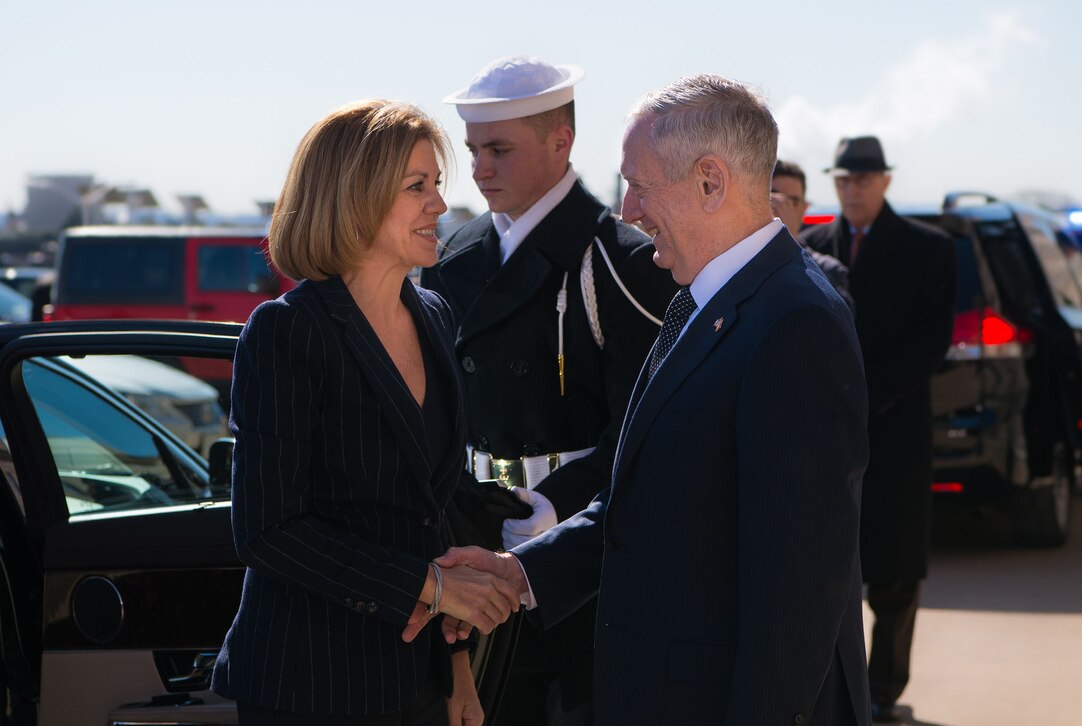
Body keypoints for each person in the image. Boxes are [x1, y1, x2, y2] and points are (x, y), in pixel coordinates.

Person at [414, 75, 872, 725]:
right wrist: (520, 574)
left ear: (711, 182)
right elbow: (642, 503)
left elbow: (797, 593)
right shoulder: (696, 299)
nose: (627, 210)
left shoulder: (795, 325)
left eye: (641, 184)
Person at [210, 99, 521, 726]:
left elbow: (435, 510)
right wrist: (427, 587)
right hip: (309, 685)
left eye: (437, 184)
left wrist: (458, 670)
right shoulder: (286, 331)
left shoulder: (433, 314)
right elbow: (267, 530)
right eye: (416, 187)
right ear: (355, 197)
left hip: (418, 684)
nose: (439, 204)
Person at [421, 56, 676, 726]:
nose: (479, 170)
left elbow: (643, 427)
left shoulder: (621, 260)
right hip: (478, 542)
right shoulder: (451, 259)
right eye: (473, 151)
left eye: (499, 149)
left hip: (587, 554)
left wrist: (551, 507)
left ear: (561, 142)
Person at [801, 135, 955, 723]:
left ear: (886, 181)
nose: (852, 189)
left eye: (862, 179)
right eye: (843, 179)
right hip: (829, 435)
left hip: (895, 430)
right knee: (833, 566)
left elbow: (930, 345)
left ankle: (886, 690)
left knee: (894, 569)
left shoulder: (929, 249)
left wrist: (864, 394)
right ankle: (836, 687)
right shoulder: (813, 246)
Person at [771, 159, 854, 314]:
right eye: (774, 198)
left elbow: (841, 319)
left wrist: (787, 243)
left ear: (805, 208)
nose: (782, 208)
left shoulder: (828, 269)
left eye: (792, 202)